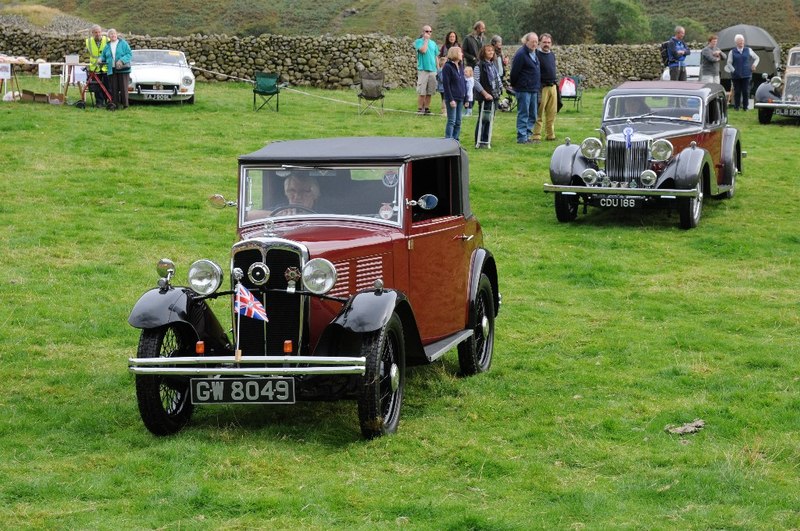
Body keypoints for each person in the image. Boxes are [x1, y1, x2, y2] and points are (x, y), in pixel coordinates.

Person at [510, 32, 541, 144]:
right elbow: (514, 72)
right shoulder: (521, 54)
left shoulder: (535, 53)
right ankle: (522, 137)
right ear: (526, 41)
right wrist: (515, 85)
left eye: (536, 42)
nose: (534, 44)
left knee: (533, 114)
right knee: (524, 113)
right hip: (523, 89)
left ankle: (528, 135)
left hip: (534, 88)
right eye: (532, 41)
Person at [473, 44, 503, 146]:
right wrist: (485, 94)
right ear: (483, 53)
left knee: (490, 119)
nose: (491, 52)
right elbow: (476, 82)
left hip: (494, 96)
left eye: (492, 51)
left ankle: (486, 140)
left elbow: (497, 78)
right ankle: (479, 140)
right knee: (483, 119)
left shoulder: (492, 65)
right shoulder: (478, 66)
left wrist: (500, 89)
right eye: (488, 51)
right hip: (484, 97)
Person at [532, 33, 558, 142]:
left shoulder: (552, 55)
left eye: (548, 42)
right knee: (539, 113)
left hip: (552, 87)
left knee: (552, 113)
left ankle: (550, 135)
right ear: (539, 43)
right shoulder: (536, 54)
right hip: (541, 87)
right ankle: (536, 135)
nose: (546, 44)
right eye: (544, 42)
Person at [98, 28, 132, 109]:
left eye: (114, 33)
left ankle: (125, 105)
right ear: (108, 36)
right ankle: (115, 105)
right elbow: (103, 55)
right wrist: (100, 59)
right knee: (113, 88)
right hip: (112, 69)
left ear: (117, 34)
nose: (113, 35)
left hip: (123, 69)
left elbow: (129, 54)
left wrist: (122, 60)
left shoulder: (123, 43)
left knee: (123, 88)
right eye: (111, 34)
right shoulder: (107, 45)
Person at [725, 34, 760, 111]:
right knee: (737, 91)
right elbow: (729, 63)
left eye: (742, 41)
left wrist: (754, 65)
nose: (741, 42)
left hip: (746, 74)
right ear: (736, 42)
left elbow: (757, 58)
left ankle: (745, 107)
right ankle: (736, 107)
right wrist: (734, 71)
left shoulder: (749, 50)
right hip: (736, 75)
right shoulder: (732, 52)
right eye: (740, 41)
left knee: (745, 91)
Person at [442, 46, 467, 141]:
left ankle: (456, 139)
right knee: (451, 120)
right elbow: (446, 85)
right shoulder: (447, 67)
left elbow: (463, 82)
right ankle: (448, 140)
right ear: (455, 53)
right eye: (460, 52)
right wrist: (451, 99)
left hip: (461, 97)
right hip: (452, 98)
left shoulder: (460, 66)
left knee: (458, 121)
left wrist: (466, 98)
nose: (462, 54)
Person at [414, 25, 439, 115]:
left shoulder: (434, 43)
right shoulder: (418, 42)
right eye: (427, 31)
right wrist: (426, 40)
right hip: (423, 69)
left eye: (430, 31)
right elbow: (423, 50)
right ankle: (420, 109)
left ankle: (427, 109)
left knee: (430, 91)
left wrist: (438, 69)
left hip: (433, 70)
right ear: (423, 32)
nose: (428, 33)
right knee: (422, 92)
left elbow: (436, 56)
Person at [84, 24, 109, 107]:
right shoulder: (88, 42)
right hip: (94, 67)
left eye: (99, 32)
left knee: (107, 85)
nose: (98, 34)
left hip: (105, 67)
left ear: (101, 32)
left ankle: (107, 100)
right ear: (92, 33)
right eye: (95, 32)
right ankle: (99, 102)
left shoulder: (107, 40)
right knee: (96, 87)